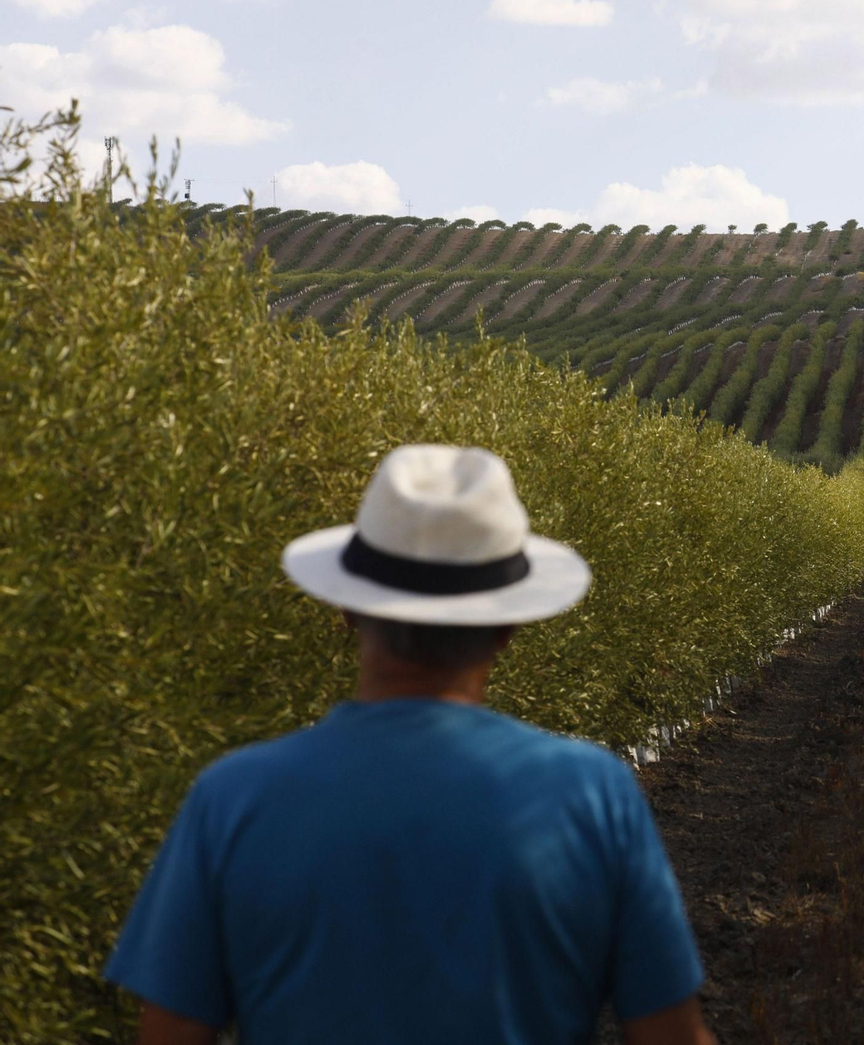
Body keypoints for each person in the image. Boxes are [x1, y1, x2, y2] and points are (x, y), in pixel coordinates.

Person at [104, 445, 716, 1045]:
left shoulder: (232, 799)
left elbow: (171, 1032)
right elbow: (668, 1034)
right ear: (508, 625)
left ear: (346, 606)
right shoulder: (591, 794)